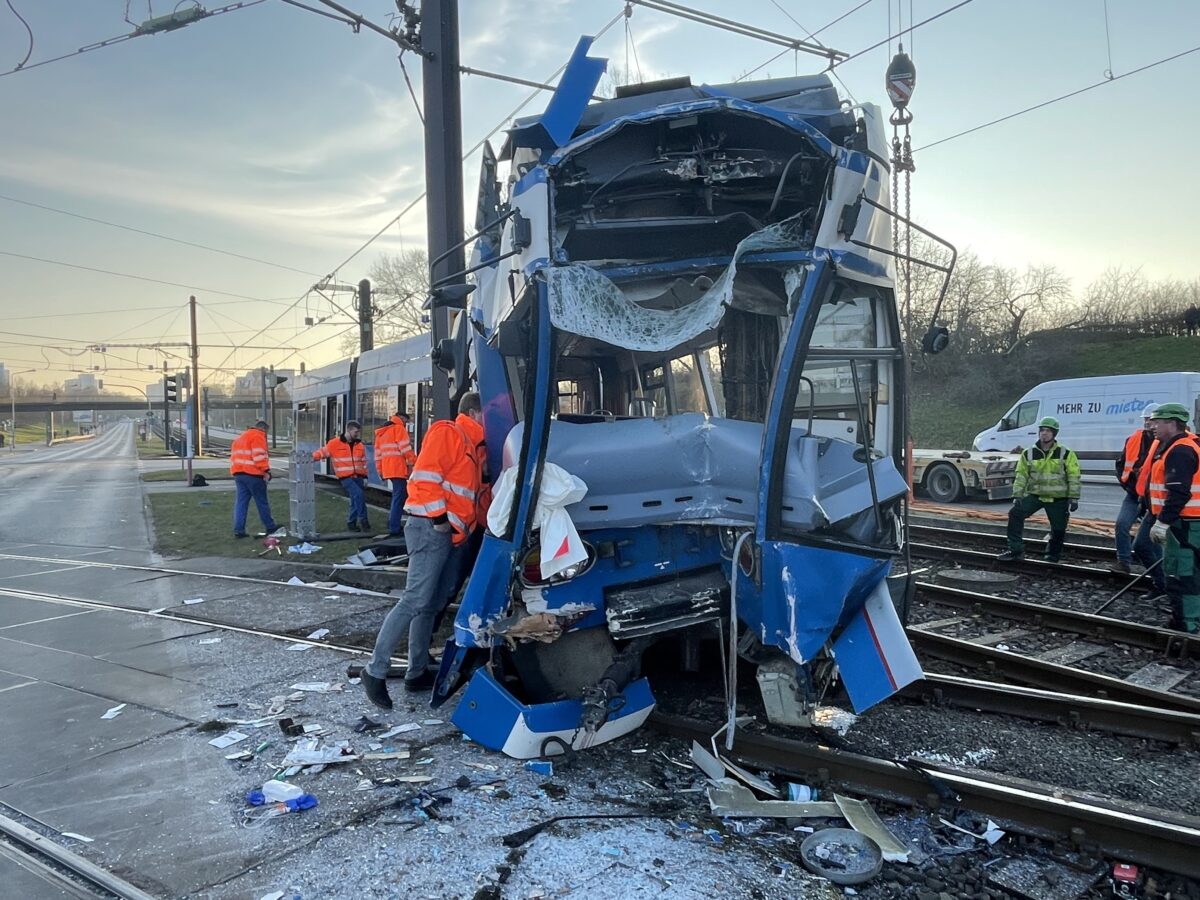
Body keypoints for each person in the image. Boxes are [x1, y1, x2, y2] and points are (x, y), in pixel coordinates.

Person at [360, 392, 486, 708]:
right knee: (415, 600)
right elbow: (425, 478)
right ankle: (374, 670)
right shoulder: (449, 432)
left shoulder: (472, 446)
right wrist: (440, 519)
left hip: (445, 533)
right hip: (431, 529)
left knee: (429, 604)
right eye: (489, 413)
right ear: (474, 411)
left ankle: (416, 672)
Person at [1146, 403, 1200, 633]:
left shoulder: (1179, 451)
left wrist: (1162, 522)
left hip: (1183, 524)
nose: (1152, 426)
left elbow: (1179, 492)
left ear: (1171, 423)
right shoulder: (1178, 447)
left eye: (1157, 422)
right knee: (1190, 572)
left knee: (1182, 573)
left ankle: (1186, 625)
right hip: (1188, 522)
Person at [998, 416, 1081, 562]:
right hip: (1035, 496)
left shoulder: (1066, 453)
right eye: (1042, 430)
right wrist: (1017, 494)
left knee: (1058, 529)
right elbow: (1021, 475)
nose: (1044, 433)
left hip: (1058, 498)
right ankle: (1015, 550)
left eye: (1048, 431)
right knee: (1015, 514)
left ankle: (1053, 556)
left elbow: (1074, 475)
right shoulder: (1029, 453)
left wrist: (1074, 497)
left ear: (1054, 434)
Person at [1112, 405, 1159, 574]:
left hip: (1155, 497)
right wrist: (1129, 486)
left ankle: (1159, 572)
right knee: (1122, 524)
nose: (1149, 424)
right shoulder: (1134, 439)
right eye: (1146, 420)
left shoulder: (1166, 442)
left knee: (1153, 537)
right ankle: (1123, 562)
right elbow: (1121, 465)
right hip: (1135, 494)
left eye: (1152, 420)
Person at [313, 420, 370, 532]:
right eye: (355, 432)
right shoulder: (334, 443)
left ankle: (351, 523)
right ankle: (364, 520)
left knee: (355, 500)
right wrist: (310, 458)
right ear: (348, 430)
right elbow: (322, 453)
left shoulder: (359, 445)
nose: (357, 434)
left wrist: (365, 476)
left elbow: (363, 462)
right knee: (359, 495)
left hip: (358, 476)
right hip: (346, 477)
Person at [230, 420, 280, 538]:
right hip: (253, 475)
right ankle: (270, 526)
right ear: (263, 429)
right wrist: (266, 471)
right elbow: (259, 457)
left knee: (241, 503)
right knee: (262, 502)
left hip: (238, 474)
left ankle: (239, 530)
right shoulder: (258, 436)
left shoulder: (240, 438)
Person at [373, 411, 417, 536]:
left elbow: (378, 455)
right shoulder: (399, 429)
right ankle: (394, 527)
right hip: (397, 469)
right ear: (401, 418)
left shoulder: (382, 432)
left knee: (398, 496)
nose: (406, 424)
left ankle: (393, 523)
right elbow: (406, 450)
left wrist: (380, 471)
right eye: (406, 421)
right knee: (399, 497)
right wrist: (416, 461)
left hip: (388, 470)